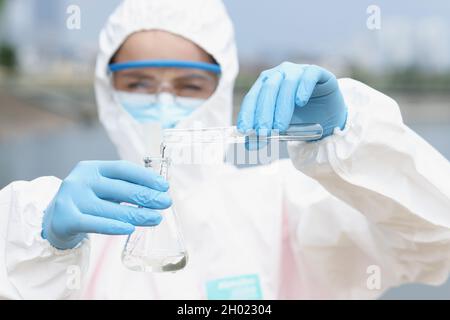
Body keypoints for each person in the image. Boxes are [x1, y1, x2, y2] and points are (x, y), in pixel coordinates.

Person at [1, 0, 449, 299]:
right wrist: (42, 249)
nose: (162, 102)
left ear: (221, 89)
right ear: (107, 88)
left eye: (189, 84)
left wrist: (352, 141)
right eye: (138, 82)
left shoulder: (282, 204)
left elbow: (436, 242)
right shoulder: (65, 220)